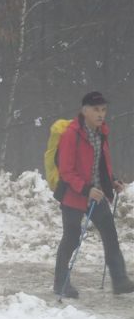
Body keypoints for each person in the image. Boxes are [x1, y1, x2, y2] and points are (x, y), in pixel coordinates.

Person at [54, 91, 134, 297]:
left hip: (97, 195)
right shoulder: (71, 135)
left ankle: (120, 281)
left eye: (104, 110)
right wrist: (86, 189)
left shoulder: (101, 133)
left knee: (110, 235)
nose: (101, 114)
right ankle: (61, 284)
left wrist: (112, 181)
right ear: (85, 110)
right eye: (96, 110)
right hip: (74, 196)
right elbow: (66, 171)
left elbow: (100, 164)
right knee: (71, 239)